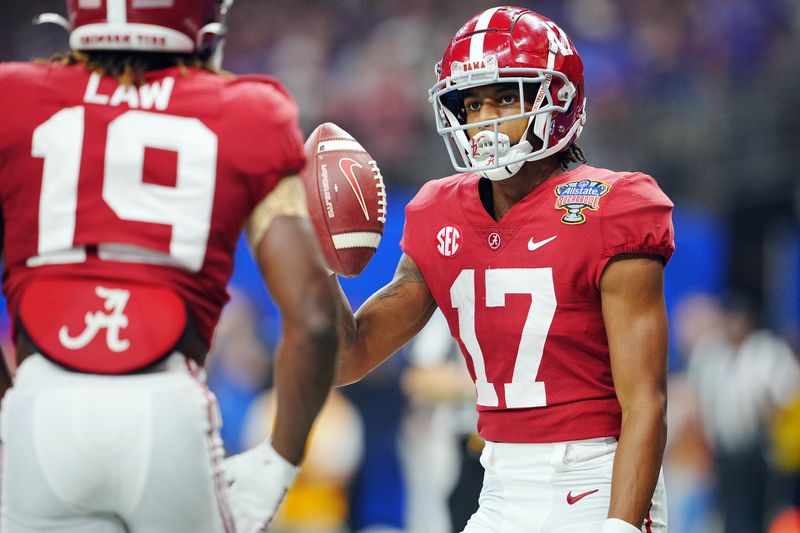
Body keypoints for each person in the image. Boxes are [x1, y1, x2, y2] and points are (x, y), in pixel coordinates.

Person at [0, 1, 339, 532]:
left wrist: (11, 406)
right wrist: (278, 463)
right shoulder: (249, 109)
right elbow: (316, 322)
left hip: (42, 402)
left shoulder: (12, 96)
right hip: (166, 409)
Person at [333, 7, 674, 533]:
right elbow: (348, 357)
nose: (483, 118)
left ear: (556, 99)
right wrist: (319, 263)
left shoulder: (615, 204)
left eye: (504, 96)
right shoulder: (438, 211)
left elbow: (646, 402)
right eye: (471, 102)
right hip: (499, 483)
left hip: (597, 475)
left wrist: (621, 525)